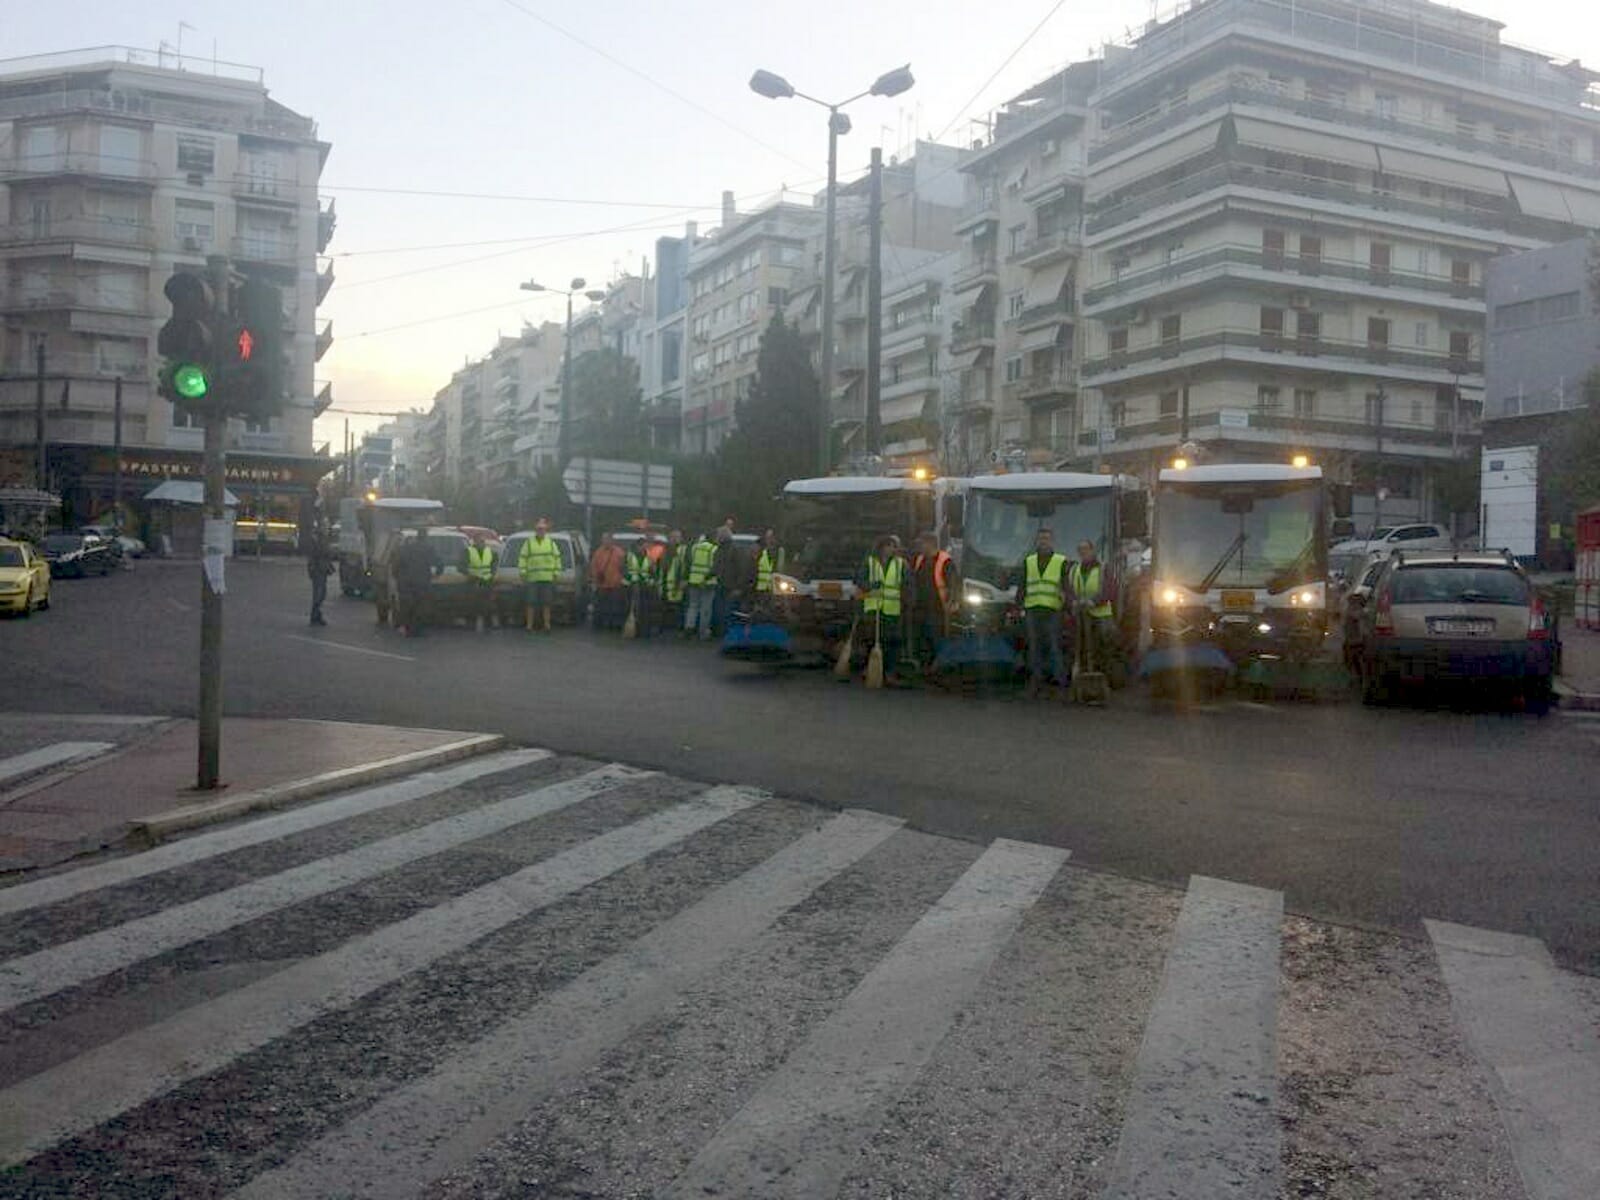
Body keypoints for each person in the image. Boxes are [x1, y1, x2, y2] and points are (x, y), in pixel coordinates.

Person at [1016, 527, 1068, 698]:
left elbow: (1066, 587)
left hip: (1053, 610)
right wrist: (1018, 606)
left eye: (1046, 538)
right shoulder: (1028, 561)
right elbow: (1022, 586)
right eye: (1041, 539)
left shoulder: (1061, 561)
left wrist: (1067, 607)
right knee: (1034, 647)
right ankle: (1036, 682)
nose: (1043, 541)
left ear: (1052, 541)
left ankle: (1059, 683)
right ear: (1037, 541)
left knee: (1054, 646)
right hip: (1032, 609)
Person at [855, 534, 908, 686]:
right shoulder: (870, 563)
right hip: (873, 608)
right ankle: (869, 669)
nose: (891, 549)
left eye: (893, 547)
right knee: (871, 640)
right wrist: (871, 586)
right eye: (888, 546)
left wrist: (907, 603)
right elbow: (860, 581)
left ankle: (889, 672)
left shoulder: (900, 564)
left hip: (893, 610)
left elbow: (907, 585)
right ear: (881, 547)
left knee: (892, 642)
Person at [1068, 538, 1119, 683]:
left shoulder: (1103, 568)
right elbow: (1069, 589)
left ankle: (1105, 679)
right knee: (1082, 648)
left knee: (1104, 648)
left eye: (1086, 549)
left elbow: (1110, 590)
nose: (1083, 553)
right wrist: (1073, 601)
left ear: (1092, 551)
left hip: (1101, 615)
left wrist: (1094, 602)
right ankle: (1085, 680)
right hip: (1082, 615)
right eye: (1080, 550)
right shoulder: (1074, 570)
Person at [909, 531, 954, 664]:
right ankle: (925, 665)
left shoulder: (945, 560)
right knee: (922, 638)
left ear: (930, 544)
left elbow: (952, 584)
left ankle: (939, 665)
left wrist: (951, 602)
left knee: (936, 638)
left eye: (921, 544)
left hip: (938, 608)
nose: (919, 547)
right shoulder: (919, 559)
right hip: (920, 608)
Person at [518, 518, 561, 632]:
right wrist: (523, 573)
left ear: (546, 530)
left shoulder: (551, 543)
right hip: (532, 579)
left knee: (547, 604)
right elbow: (523, 558)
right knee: (530, 603)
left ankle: (547, 625)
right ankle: (529, 626)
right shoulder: (529, 543)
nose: (540, 531)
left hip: (547, 579)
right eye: (538, 529)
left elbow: (557, 558)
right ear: (535, 530)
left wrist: (556, 573)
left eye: (542, 529)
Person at [393, 528, 438, 637]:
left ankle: (407, 627)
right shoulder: (429, 549)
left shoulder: (406, 549)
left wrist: (397, 577)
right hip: (422, 583)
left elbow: (397, 565)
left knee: (407, 605)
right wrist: (435, 575)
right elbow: (438, 562)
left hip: (406, 583)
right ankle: (417, 629)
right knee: (420, 606)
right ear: (426, 537)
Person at [714, 526, 755, 632]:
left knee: (729, 611)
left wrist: (738, 587)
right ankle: (721, 631)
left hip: (730, 586)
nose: (717, 537)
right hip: (721, 584)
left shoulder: (734, 550)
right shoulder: (719, 549)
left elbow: (741, 569)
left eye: (718, 535)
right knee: (721, 610)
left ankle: (729, 631)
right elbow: (716, 567)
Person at [684, 529, 719, 640]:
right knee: (706, 608)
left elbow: (689, 562)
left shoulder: (695, 547)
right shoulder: (714, 549)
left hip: (694, 580)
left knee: (693, 606)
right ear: (713, 538)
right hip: (707, 582)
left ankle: (689, 629)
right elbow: (715, 567)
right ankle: (703, 632)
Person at [462, 529, 497, 633]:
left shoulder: (490, 551)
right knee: (472, 604)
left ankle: (488, 625)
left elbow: (494, 564)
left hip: (486, 581)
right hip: (474, 581)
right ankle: (471, 625)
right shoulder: (468, 551)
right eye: (479, 540)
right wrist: (469, 574)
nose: (481, 542)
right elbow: (461, 566)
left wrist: (492, 574)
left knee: (488, 605)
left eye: (483, 541)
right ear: (475, 541)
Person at [589, 532, 626, 630]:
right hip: (602, 585)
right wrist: (595, 580)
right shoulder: (598, 552)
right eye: (603, 539)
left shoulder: (619, 552)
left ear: (611, 540)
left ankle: (614, 625)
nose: (605, 541)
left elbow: (623, 567)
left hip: (615, 585)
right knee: (600, 607)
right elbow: (594, 567)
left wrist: (621, 580)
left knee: (615, 607)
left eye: (606, 539)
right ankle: (600, 625)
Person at [624, 535, 657, 637]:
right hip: (632, 586)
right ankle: (634, 629)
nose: (643, 547)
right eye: (642, 545)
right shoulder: (629, 556)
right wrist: (627, 581)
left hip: (645, 586)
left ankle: (643, 629)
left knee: (644, 609)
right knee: (633, 608)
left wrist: (651, 581)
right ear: (637, 546)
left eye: (645, 545)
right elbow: (624, 570)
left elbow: (652, 572)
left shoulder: (649, 557)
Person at [657, 528, 687, 636]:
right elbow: (660, 568)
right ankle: (662, 629)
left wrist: (684, 580)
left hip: (678, 585)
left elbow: (685, 567)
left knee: (679, 609)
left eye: (677, 537)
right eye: (672, 537)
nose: (674, 540)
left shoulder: (683, 551)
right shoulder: (664, 551)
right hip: (665, 585)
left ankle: (678, 629)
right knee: (663, 609)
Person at [306, 525, 335, 627]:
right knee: (319, 593)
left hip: (320, 569)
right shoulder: (318, 541)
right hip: (319, 570)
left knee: (320, 593)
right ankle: (315, 615)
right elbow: (320, 554)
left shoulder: (320, 540)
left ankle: (316, 614)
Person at [754, 528, 784, 601]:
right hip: (758, 586)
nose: (769, 539)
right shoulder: (759, 548)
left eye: (771, 537)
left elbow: (780, 567)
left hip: (772, 585)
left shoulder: (778, 550)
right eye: (767, 537)